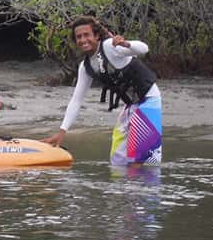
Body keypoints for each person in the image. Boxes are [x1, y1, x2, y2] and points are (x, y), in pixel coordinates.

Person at [43, 16, 162, 165]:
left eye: (87, 35)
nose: (83, 40)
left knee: (143, 160)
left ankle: (143, 185)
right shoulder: (85, 67)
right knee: (118, 161)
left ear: (97, 36)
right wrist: (62, 132)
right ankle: (122, 187)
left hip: (148, 100)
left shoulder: (110, 46)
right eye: (79, 37)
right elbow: (76, 100)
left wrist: (126, 44)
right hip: (130, 106)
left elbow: (144, 48)